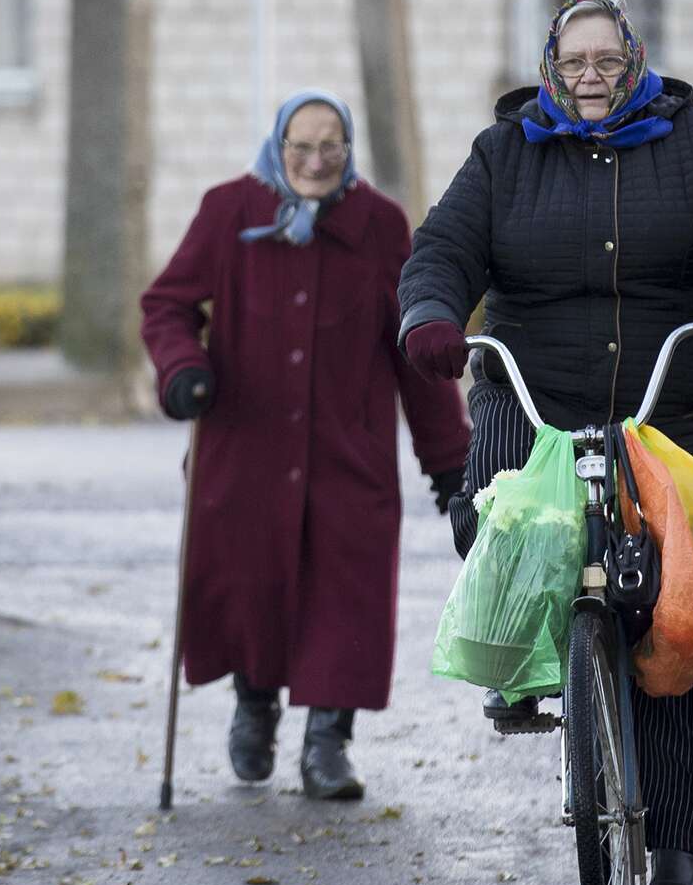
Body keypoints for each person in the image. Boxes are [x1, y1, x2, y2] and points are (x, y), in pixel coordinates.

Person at [397, 0, 693, 885]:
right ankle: (526, 661)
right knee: (500, 519)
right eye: (574, 62)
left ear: (636, 61)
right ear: (550, 66)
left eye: (608, 62)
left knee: (684, 609)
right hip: (530, 398)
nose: (590, 77)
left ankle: (683, 850)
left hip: (665, 402)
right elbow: (441, 252)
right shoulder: (503, 154)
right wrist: (430, 316)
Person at [140, 89, 470, 800]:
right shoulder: (229, 210)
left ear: (348, 151)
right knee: (250, 587)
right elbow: (166, 305)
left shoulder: (379, 225)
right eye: (301, 147)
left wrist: (450, 464)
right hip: (243, 452)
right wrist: (183, 370)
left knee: (345, 597)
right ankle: (254, 705)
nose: (315, 162)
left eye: (331, 148)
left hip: (348, 456)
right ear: (277, 146)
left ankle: (328, 743)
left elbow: (414, 347)